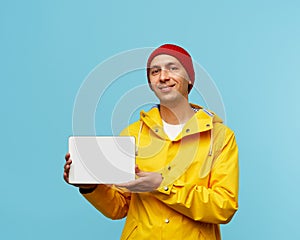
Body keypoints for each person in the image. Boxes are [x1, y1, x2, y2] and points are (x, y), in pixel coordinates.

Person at [64, 44, 239, 240]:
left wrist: (162, 186)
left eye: (173, 68)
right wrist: (90, 186)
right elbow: (119, 207)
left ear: (190, 78)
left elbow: (223, 207)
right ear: (150, 83)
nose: (163, 76)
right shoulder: (132, 134)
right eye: (155, 72)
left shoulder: (220, 137)